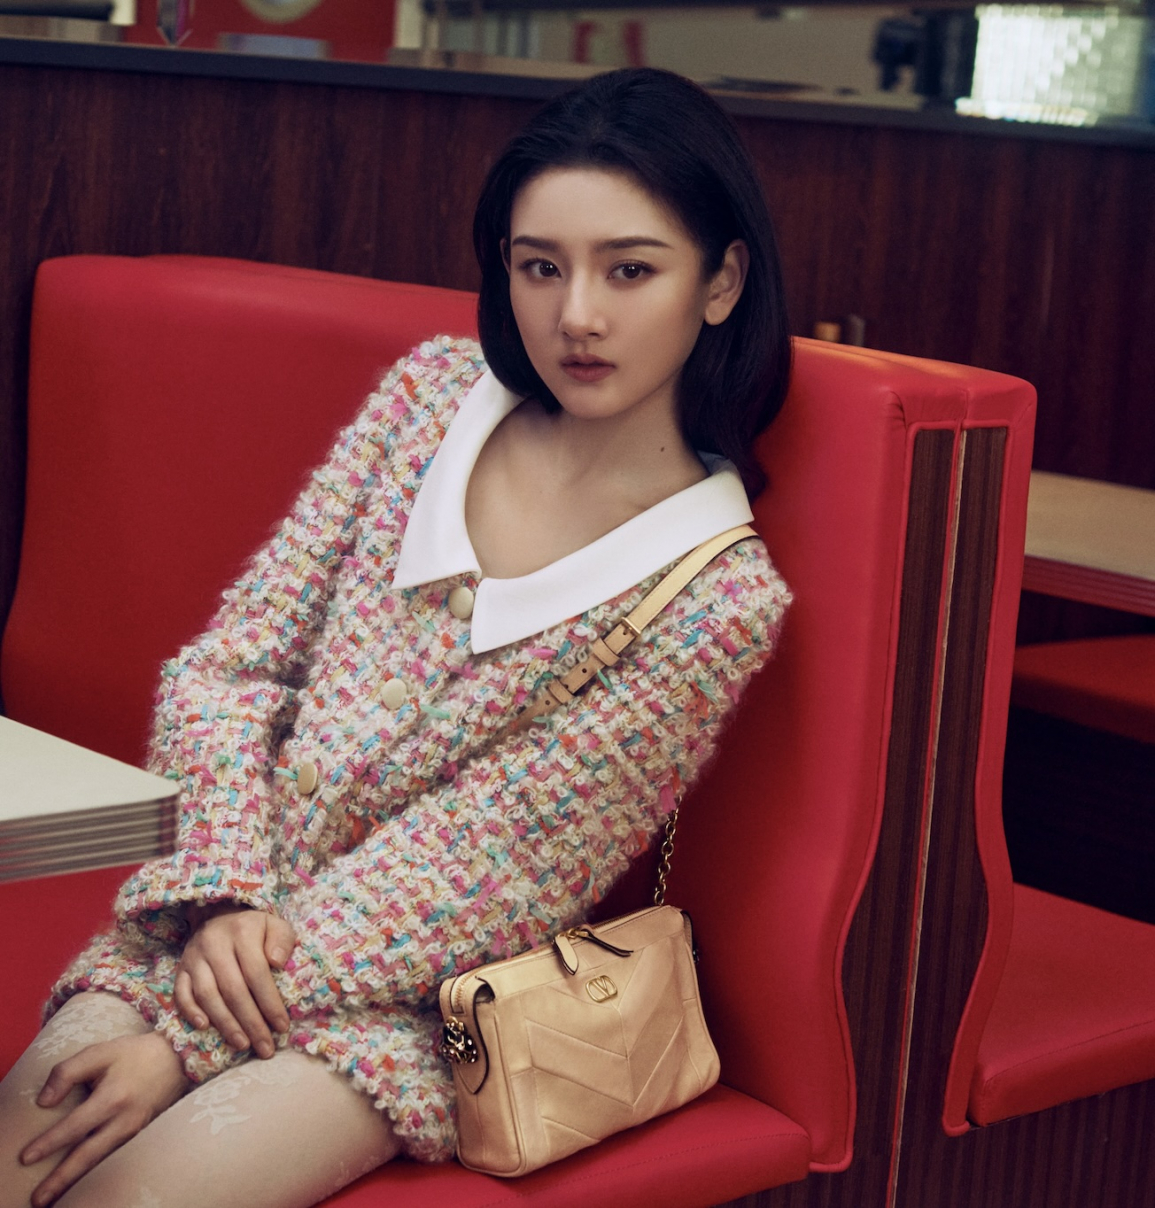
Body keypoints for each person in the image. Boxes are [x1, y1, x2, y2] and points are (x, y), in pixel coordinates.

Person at [0, 66, 793, 1208]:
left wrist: (183, 1036)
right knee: (15, 1149)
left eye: (630, 269)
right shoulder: (428, 402)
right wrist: (221, 891)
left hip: (404, 1000)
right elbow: (229, 670)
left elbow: (484, 871)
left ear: (720, 282)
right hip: (214, 905)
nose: (577, 315)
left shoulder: (717, 598)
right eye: (540, 266)